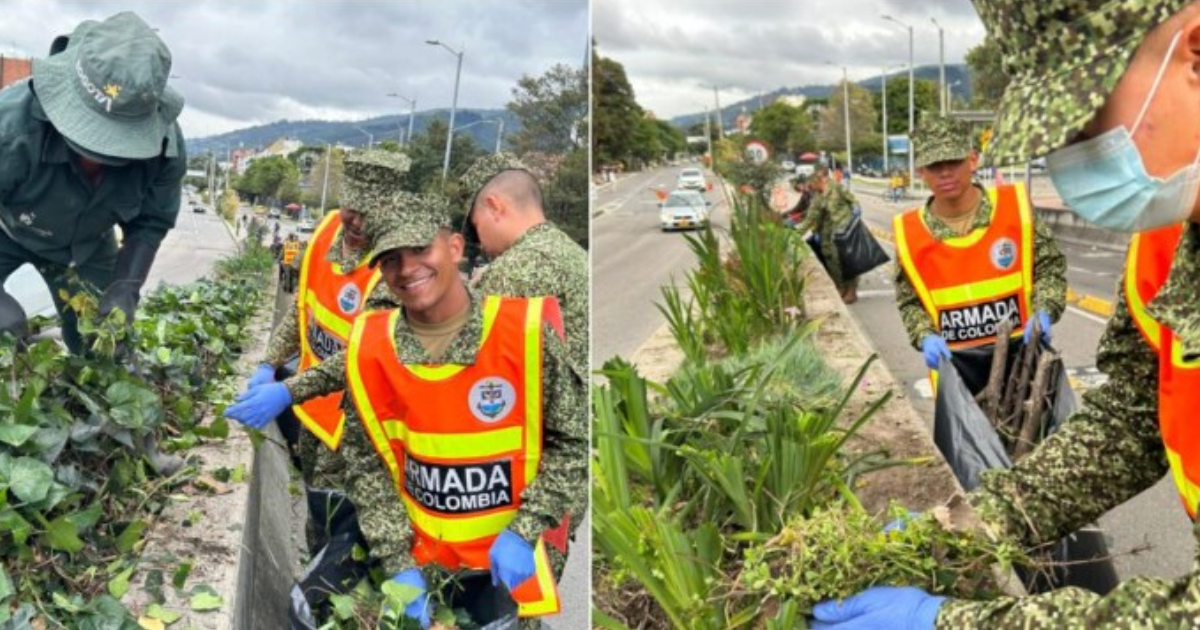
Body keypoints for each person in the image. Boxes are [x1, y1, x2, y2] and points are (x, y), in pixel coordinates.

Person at [813, 1, 1200, 627]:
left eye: (1083, 121)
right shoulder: (1166, 236)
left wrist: (952, 622)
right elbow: (1135, 417)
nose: (1074, 156)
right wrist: (978, 521)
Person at [338, 194, 586, 628]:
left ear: (454, 248)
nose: (408, 268)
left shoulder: (524, 334)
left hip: (506, 570)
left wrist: (525, 530)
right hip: (417, 567)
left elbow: (575, 441)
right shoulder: (371, 349)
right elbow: (365, 463)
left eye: (420, 249)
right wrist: (398, 564)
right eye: (391, 259)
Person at [0, 12, 186, 354]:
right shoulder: (10, 128)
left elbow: (151, 221)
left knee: (102, 346)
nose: (98, 158)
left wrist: (126, 285)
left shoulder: (165, 152)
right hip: (7, 230)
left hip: (88, 244)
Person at [225, 150, 409, 458]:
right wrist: (269, 363)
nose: (358, 223)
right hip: (312, 414)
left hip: (362, 437)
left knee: (329, 505)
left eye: (371, 215)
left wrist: (287, 391)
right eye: (353, 210)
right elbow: (302, 311)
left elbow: (363, 357)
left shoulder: (397, 267)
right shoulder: (325, 233)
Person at [891, 112, 1066, 393]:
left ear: (972, 160)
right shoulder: (911, 232)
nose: (945, 172)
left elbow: (1050, 269)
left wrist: (1045, 308)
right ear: (920, 171)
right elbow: (910, 302)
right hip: (956, 373)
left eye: (954, 162)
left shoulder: (1015, 209)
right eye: (934, 165)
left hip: (1022, 364)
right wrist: (924, 336)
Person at [461, 153, 589, 379]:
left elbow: (467, 357)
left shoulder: (514, 270)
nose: (480, 242)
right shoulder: (571, 251)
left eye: (476, 226)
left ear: (494, 207)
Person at [795, 166, 861, 303]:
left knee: (847, 260)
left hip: (846, 227)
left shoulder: (836, 187)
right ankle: (841, 286)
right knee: (832, 260)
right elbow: (811, 216)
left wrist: (856, 209)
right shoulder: (818, 196)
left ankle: (852, 290)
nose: (811, 188)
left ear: (819, 181)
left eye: (812, 185)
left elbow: (853, 200)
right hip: (830, 230)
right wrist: (796, 233)